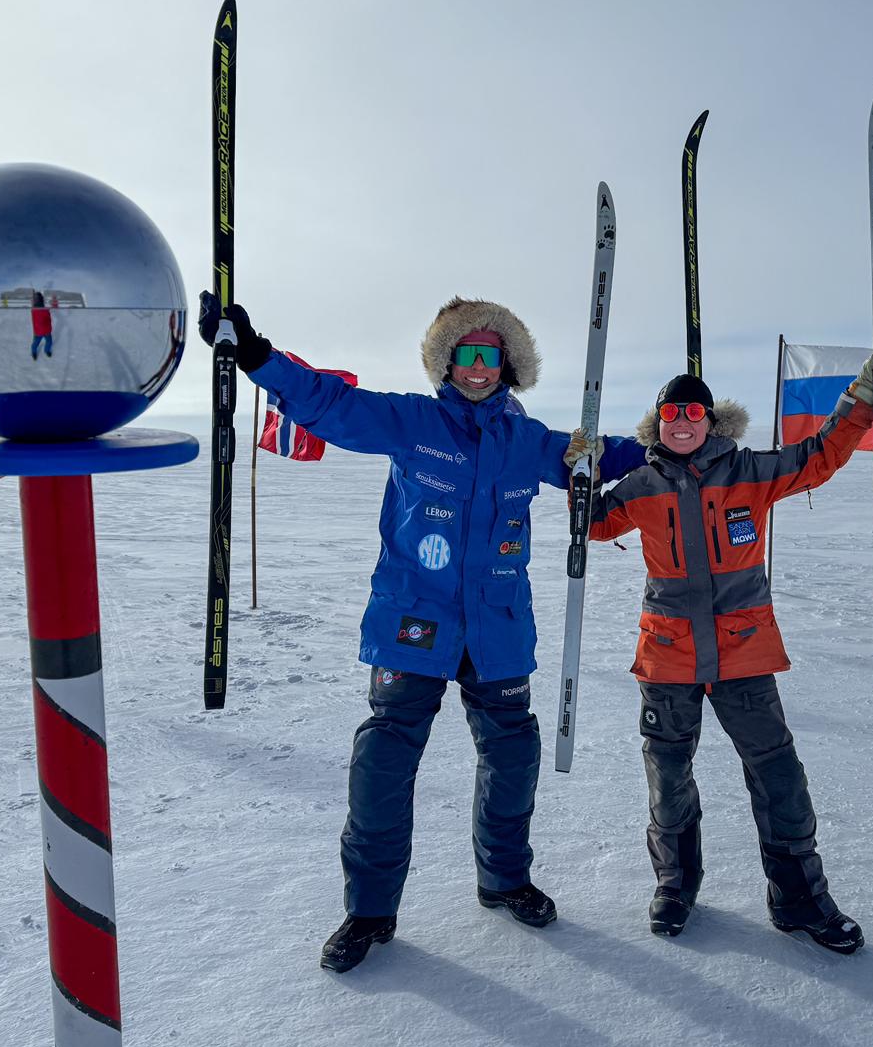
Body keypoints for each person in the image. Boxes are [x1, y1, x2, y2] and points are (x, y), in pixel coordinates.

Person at [197, 292, 644, 972]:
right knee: (385, 760)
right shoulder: (411, 421)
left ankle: (504, 881)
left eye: (492, 355)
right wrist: (256, 354)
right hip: (414, 621)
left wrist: (662, 439)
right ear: (446, 361)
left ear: (509, 365)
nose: (478, 367)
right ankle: (369, 911)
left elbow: (606, 460)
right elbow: (326, 403)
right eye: (465, 353)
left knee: (512, 753)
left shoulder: (530, 443)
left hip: (497, 627)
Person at [576, 351, 873, 953]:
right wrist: (579, 470)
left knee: (778, 774)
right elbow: (593, 526)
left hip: (744, 653)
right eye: (671, 412)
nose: (682, 422)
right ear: (657, 422)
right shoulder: (641, 485)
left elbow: (820, 456)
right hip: (669, 655)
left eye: (693, 411)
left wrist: (860, 400)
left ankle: (800, 900)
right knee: (669, 776)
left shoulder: (750, 471)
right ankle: (676, 885)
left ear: (711, 419)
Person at [30, 291, 53, 359]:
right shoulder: (34, 310)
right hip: (38, 330)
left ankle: (47, 351)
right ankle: (34, 353)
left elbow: (49, 318)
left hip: (47, 330)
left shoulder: (44, 309)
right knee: (35, 343)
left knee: (49, 342)